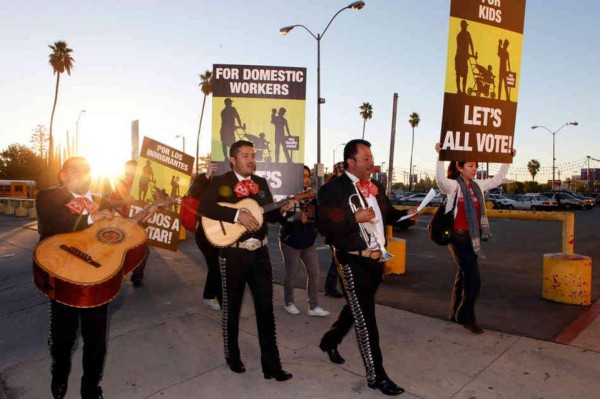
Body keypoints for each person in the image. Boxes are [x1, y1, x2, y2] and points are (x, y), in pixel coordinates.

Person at [317, 140, 419, 396]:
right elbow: (324, 226)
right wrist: (354, 218)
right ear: (351, 162)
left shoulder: (375, 187)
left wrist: (407, 214)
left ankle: (329, 341)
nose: (371, 162)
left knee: (356, 309)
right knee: (366, 318)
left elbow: (389, 215)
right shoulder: (333, 189)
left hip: (376, 259)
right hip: (352, 259)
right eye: (366, 158)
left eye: (371, 157)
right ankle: (377, 376)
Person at [198, 140, 296, 382]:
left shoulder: (260, 184)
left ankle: (272, 366)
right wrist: (236, 214)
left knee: (266, 309)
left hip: (260, 255)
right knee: (231, 308)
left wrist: (284, 211)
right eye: (245, 155)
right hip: (232, 254)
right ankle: (232, 355)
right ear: (233, 159)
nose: (251, 159)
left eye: (253, 155)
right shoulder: (221, 182)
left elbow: (269, 214)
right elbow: (205, 207)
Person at [36, 157, 114, 399]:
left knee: (96, 341)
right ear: (63, 175)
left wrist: (143, 214)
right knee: (63, 338)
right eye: (75, 170)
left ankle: (90, 388)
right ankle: (59, 376)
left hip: (97, 280)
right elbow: (53, 225)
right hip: (63, 279)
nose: (82, 174)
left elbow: (120, 230)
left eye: (86, 170)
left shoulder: (102, 200)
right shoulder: (49, 197)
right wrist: (91, 219)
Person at [435, 143, 516, 334]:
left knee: (463, 276)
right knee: (474, 279)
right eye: (470, 165)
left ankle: (454, 313)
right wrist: (439, 155)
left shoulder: (478, 185)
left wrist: (507, 160)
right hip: (457, 238)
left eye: (476, 166)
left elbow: (499, 179)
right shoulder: (453, 186)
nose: (475, 169)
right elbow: (440, 180)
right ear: (460, 167)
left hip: (473, 237)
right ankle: (467, 317)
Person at [280, 165, 329, 317]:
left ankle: (313, 307)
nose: (307, 179)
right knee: (292, 274)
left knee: (314, 273)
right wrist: (297, 218)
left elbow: (312, 218)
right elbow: (283, 218)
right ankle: (289, 302)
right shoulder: (289, 196)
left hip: (308, 241)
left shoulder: (312, 196)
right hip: (291, 241)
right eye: (303, 176)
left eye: (308, 176)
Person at [109, 160, 149, 287]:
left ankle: (137, 276)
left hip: (139, 222)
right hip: (123, 222)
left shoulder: (143, 183)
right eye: (128, 169)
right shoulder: (119, 184)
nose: (130, 172)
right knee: (120, 251)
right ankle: (115, 276)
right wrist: (124, 201)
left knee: (144, 251)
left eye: (133, 169)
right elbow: (110, 203)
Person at [189, 163, 221, 310]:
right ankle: (209, 296)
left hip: (221, 232)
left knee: (220, 265)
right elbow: (195, 192)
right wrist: (207, 175)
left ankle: (217, 294)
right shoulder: (206, 182)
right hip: (204, 232)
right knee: (214, 265)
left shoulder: (228, 184)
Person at [323, 161, 345, 298]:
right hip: (336, 229)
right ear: (336, 172)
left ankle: (331, 287)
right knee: (337, 260)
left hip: (344, 228)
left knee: (339, 260)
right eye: (341, 172)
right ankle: (330, 288)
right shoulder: (332, 188)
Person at [455, 19, 475, 94]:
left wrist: (472, 53)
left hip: (464, 58)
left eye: (466, 26)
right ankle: (459, 90)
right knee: (458, 74)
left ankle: (463, 90)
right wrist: (468, 55)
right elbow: (460, 49)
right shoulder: (459, 36)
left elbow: (471, 43)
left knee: (465, 74)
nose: (466, 27)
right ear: (462, 26)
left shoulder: (468, 34)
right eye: (465, 26)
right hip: (459, 58)